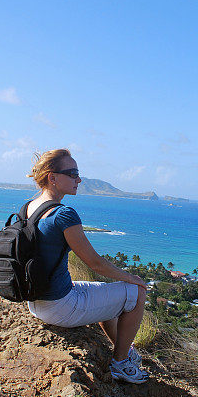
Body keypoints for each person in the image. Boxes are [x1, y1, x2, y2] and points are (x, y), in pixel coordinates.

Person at [24, 149, 149, 384]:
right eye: (72, 174)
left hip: (36, 302)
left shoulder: (28, 208)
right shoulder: (63, 214)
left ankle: (125, 350)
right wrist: (132, 278)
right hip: (60, 307)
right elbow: (94, 262)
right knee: (137, 293)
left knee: (102, 290)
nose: (78, 180)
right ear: (52, 177)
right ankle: (121, 363)